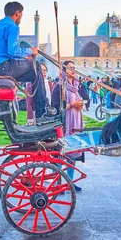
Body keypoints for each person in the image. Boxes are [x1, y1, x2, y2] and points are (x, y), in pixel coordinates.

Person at [0, 2, 57, 124]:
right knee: (36, 66)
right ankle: (42, 112)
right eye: (21, 14)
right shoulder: (12, 26)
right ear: (17, 13)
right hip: (3, 66)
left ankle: (42, 110)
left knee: (34, 74)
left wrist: (23, 57)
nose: (21, 17)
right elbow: (12, 50)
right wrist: (30, 51)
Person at [51, 60, 84, 191]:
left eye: (74, 67)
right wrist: (72, 105)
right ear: (64, 70)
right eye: (70, 68)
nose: (73, 70)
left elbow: (77, 101)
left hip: (75, 122)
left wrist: (80, 104)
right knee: (62, 154)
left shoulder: (75, 87)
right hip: (66, 124)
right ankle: (57, 183)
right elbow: (55, 107)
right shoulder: (60, 87)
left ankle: (69, 182)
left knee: (72, 154)